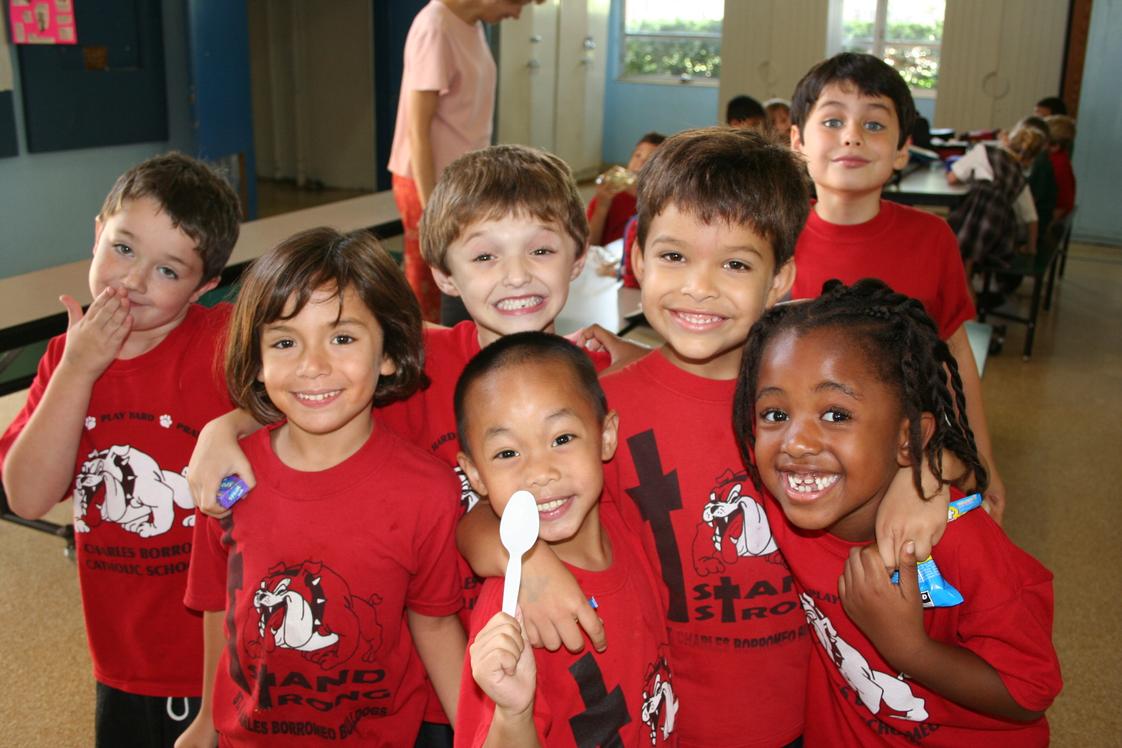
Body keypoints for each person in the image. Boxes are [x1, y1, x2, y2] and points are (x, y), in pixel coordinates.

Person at [459, 128, 951, 748]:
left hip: (817, 713)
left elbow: (924, 435)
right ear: (636, 262)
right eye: (673, 257)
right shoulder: (602, 405)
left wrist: (920, 476)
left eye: (736, 264)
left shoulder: (810, 395)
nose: (700, 286)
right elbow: (487, 512)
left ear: (780, 280)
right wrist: (524, 560)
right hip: (668, 724)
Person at [733, 278, 1063, 746]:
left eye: (836, 414)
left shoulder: (959, 539)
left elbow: (1029, 693)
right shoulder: (782, 499)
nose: (797, 442)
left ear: (909, 437)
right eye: (774, 414)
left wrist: (910, 649)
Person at [175, 228, 466, 747]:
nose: (313, 366)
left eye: (343, 338)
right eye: (285, 342)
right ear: (259, 363)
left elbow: (436, 625)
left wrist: (475, 735)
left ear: (389, 355)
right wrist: (203, 720)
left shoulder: (429, 491)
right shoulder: (228, 476)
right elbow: (218, 605)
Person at [0, 152, 240, 747]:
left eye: (167, 270)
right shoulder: (64, 358)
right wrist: (77, 371)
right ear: (96, 232)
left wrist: (230, 424)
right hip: (122, 660)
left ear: (205, 286)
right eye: (123, 248)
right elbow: (26, 495)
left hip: (220, 659)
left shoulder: (226, 342)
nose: (131, 281)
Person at [788, 51, 1009, 524]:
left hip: (906, 454)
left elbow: (956, 357)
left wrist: (982, 458)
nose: (851, 135)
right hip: (802, 457)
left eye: (874, 125)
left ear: (903, 148)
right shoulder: (774, 238)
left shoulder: (932, 238)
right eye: (831, 120)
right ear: (797, 141)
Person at [453, 332, 677, 746]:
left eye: (561, 439)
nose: (540, 472)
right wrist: (513, 712)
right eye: (507, 453)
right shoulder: (509, 612)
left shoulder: (619, 518)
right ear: (476, 476)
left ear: (606, 436)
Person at [388, 0, 538, 323]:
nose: (516, 14)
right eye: (518, 4)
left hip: (463, 183)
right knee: (428, 281)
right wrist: (431, 209)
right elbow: (418, 130)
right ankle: (421, 362)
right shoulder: (435, 27)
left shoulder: (473, 25)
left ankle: (459, 351)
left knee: (462, 275)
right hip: (428, 183)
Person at [948, 118, 1047, 273]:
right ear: (1031, 158)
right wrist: (1031, 248)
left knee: (960, 270)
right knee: (964, 271)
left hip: (970, 222)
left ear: (1009, 139)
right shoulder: (1020, 178)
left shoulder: (984, 151)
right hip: (997, 234)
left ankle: (962, 292)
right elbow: (1031, 218)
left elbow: (952, 178)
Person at [587, 131, 665, 247]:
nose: (640, 163)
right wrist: (602, 206)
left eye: (649, 160)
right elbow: (590, 245)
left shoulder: (661, 203)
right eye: (637, 155)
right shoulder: (609, 195)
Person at [1046, 115, 1077, 224]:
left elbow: (1061, 205)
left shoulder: (1056, 164)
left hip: (1051, 220)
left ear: (1055, 145)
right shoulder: (1061, 158)